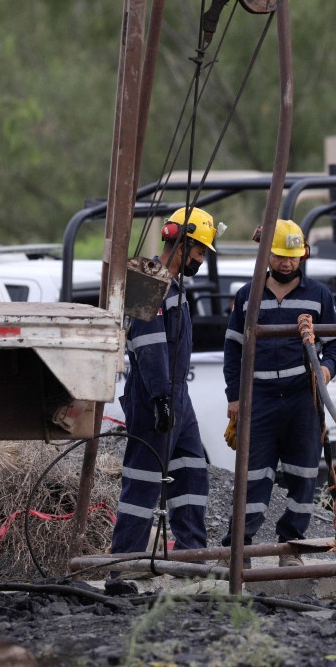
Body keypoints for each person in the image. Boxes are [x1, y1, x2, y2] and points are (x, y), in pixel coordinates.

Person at [222, 219, 336, 567]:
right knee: (252, 475)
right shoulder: (247, 296)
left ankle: (291, 546)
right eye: (280, 257)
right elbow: (233, 350)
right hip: (258, 397)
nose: (287, 264)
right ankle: (238, 549)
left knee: (304, 474)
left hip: (302, 399)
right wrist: (235, 396)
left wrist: (325, 369)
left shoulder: (319, 295)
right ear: (266, 254)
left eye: (293, 257)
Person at [111, 206, 223, 558]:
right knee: (142, 484)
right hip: (152, 397)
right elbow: (148, 344)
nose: (201, 260)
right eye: (199, 251)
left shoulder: (175, 287)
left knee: (192, 476)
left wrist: (172, 398)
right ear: (182, 243)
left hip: (179, 397)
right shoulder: (149, 282)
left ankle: (191, 557)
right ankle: (123, 565)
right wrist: (160, 398)